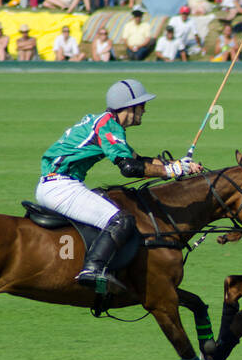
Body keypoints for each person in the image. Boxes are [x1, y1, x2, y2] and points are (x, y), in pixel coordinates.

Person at [36, 80, 203, 293]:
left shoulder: (107, 123)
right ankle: (93, 269)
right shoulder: (108, 126)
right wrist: (170, 172)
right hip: (60, 187)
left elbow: (139, 160)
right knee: (121, 219)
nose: (145, 110)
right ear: (129, 106)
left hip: (57, 184)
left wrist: (179, 166)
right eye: (141, 105)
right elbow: (129, 168)